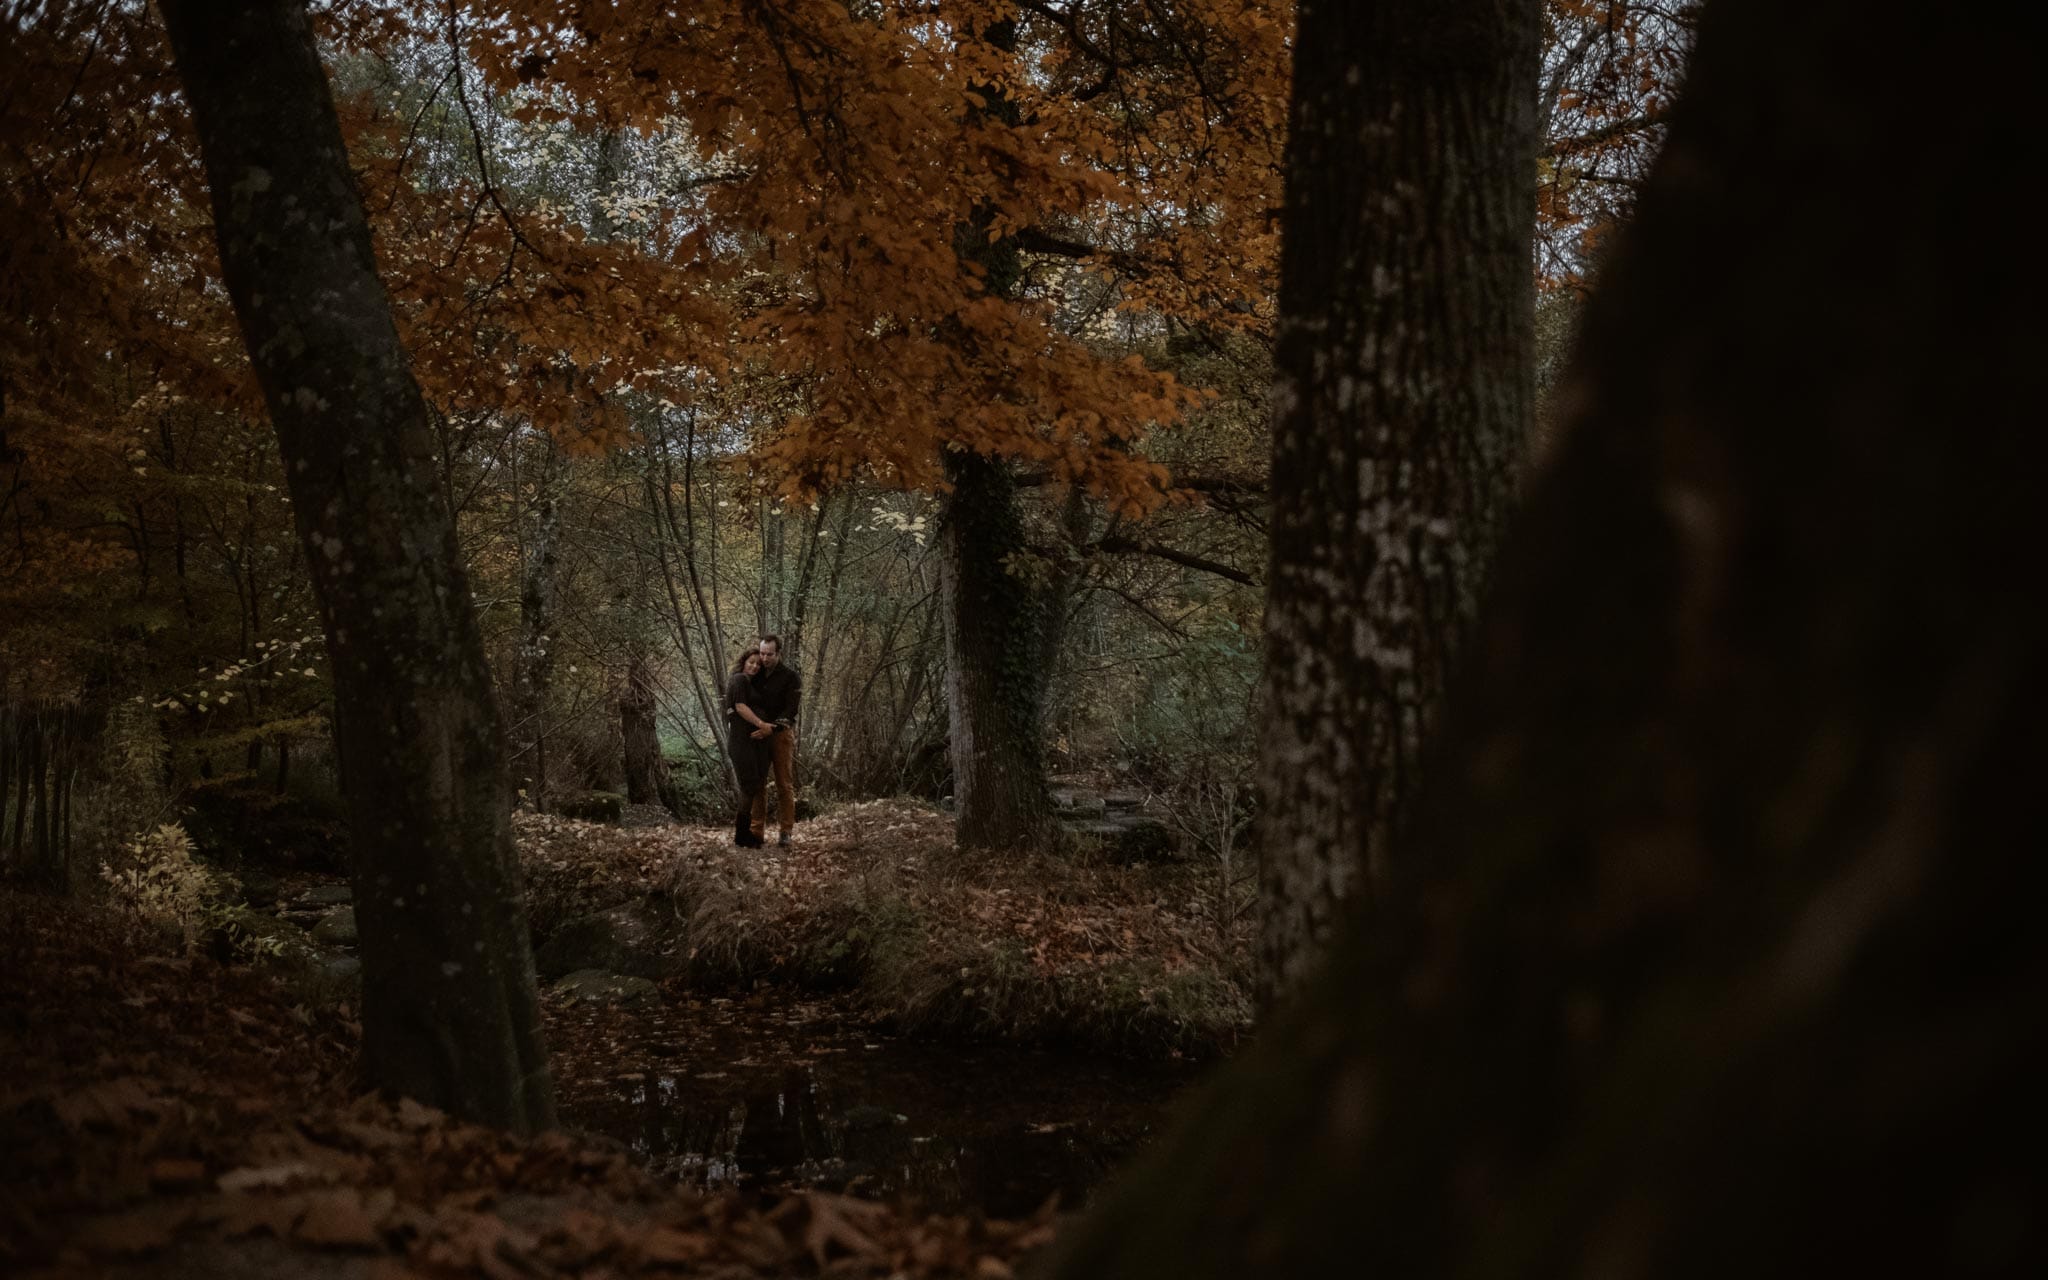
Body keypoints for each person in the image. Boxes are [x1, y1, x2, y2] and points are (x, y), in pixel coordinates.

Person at [747, 634, 802, 846]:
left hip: (780, 734)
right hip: (757, 734)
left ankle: (786, 831)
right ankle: (756, 832)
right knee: (757, 783)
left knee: (784, 784)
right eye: (762, 653)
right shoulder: (755, 672)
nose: (765, 658)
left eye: (769, 654)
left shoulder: (791, 677)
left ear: (778, 653)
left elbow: (791, 709)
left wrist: (772, 728)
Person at [723, 648, 777, 848]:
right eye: (751, 662)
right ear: (744, 662)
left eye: (758, 664)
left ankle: (746, 835)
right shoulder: (739, 679)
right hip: (741, 742)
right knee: (748, 785)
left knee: (754, 786)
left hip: (756, 744)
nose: (754, 666)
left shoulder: (754, 685)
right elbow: (740, 707)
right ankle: (741, 836)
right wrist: (761, 724)